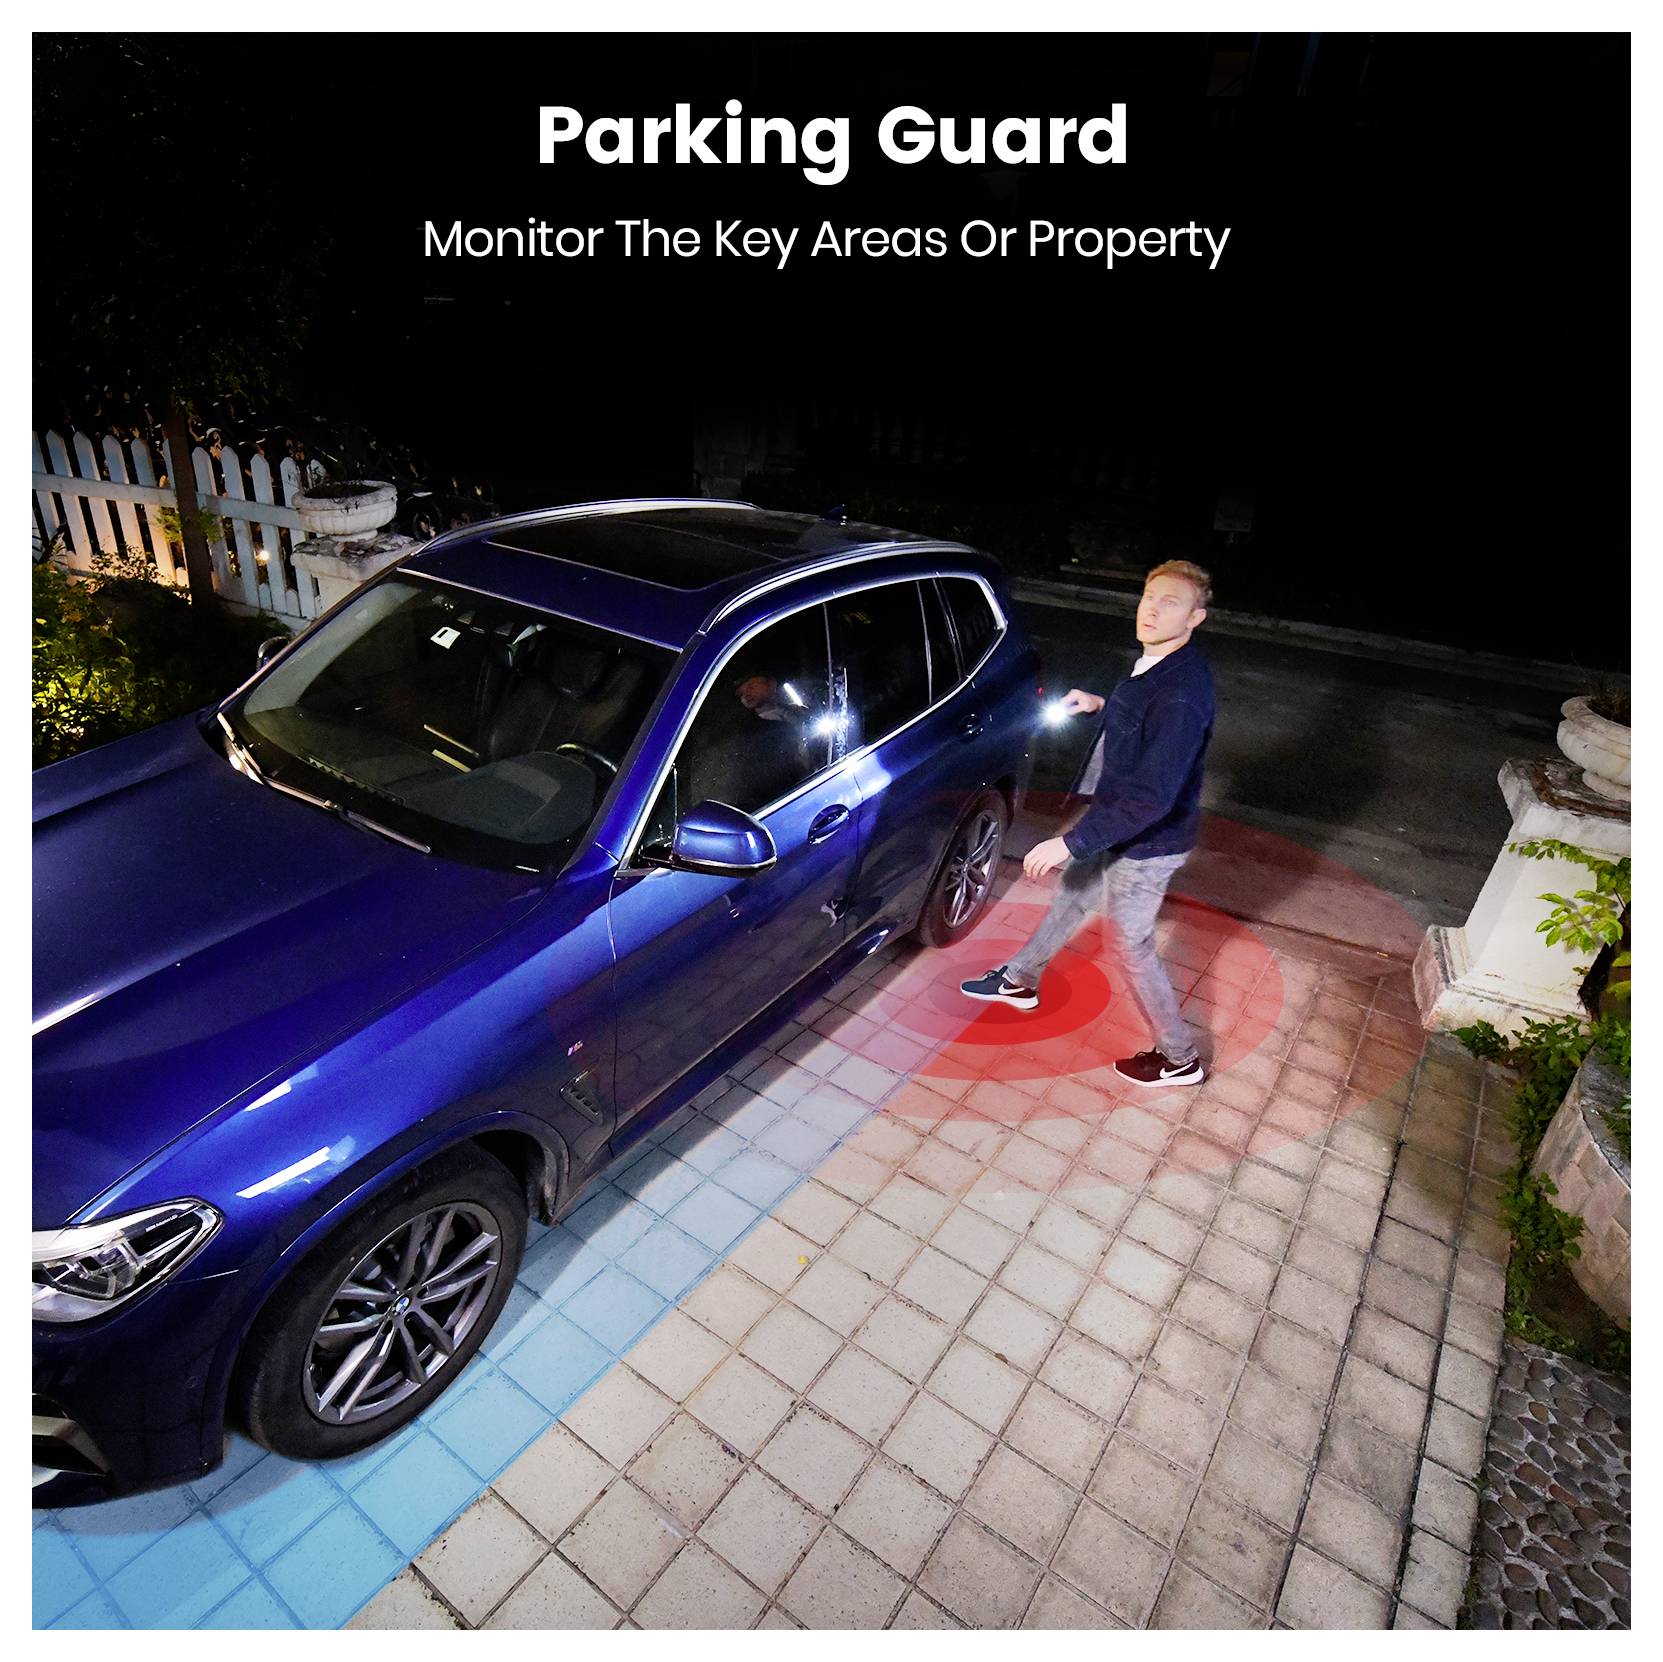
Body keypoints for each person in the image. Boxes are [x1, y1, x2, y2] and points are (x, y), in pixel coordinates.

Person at [960, 560, 1218, 1088]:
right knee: (1073, 895)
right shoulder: (1157, 664)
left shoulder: (1182, 693)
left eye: (1171, 602)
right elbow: (1140, 721)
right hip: (1115, 817)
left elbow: (1153, 796)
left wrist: (1071, 842)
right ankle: (1019, 980)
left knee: (1131, 945)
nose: (1153, 608)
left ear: (1196, 618)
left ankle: (1179, 1057)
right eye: (1150, 595)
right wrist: (1101, 704)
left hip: (1147, 841)